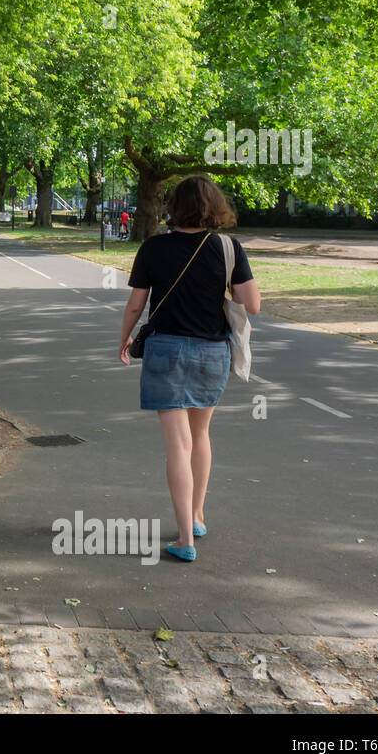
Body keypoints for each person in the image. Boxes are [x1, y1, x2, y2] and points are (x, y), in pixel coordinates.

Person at [118, 176, 261, 562]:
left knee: (176, 445)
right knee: (200, 436)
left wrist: (125, 338)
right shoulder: (229, 248)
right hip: (212, 353)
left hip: (165, 351)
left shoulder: (153, 247)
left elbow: (136, 305)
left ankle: (185, 539)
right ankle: (197, 517)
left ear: (173, 207)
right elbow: (252, 304)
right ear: (214, 207)